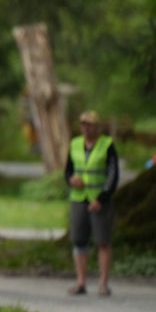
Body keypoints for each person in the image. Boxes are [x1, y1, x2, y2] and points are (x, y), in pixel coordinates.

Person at [65, 109, 118, 296]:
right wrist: (71, 180)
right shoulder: (75, 144)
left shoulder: (107, 145)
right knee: (79, 241)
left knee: (102, 241)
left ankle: (103, 283)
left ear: (97, 127)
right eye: (83, 124)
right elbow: (68, 170)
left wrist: (101, 198)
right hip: (79, 198)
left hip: (100, 200)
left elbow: (113, 176)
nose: (86, 128)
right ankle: (81, 282)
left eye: (89, 125)